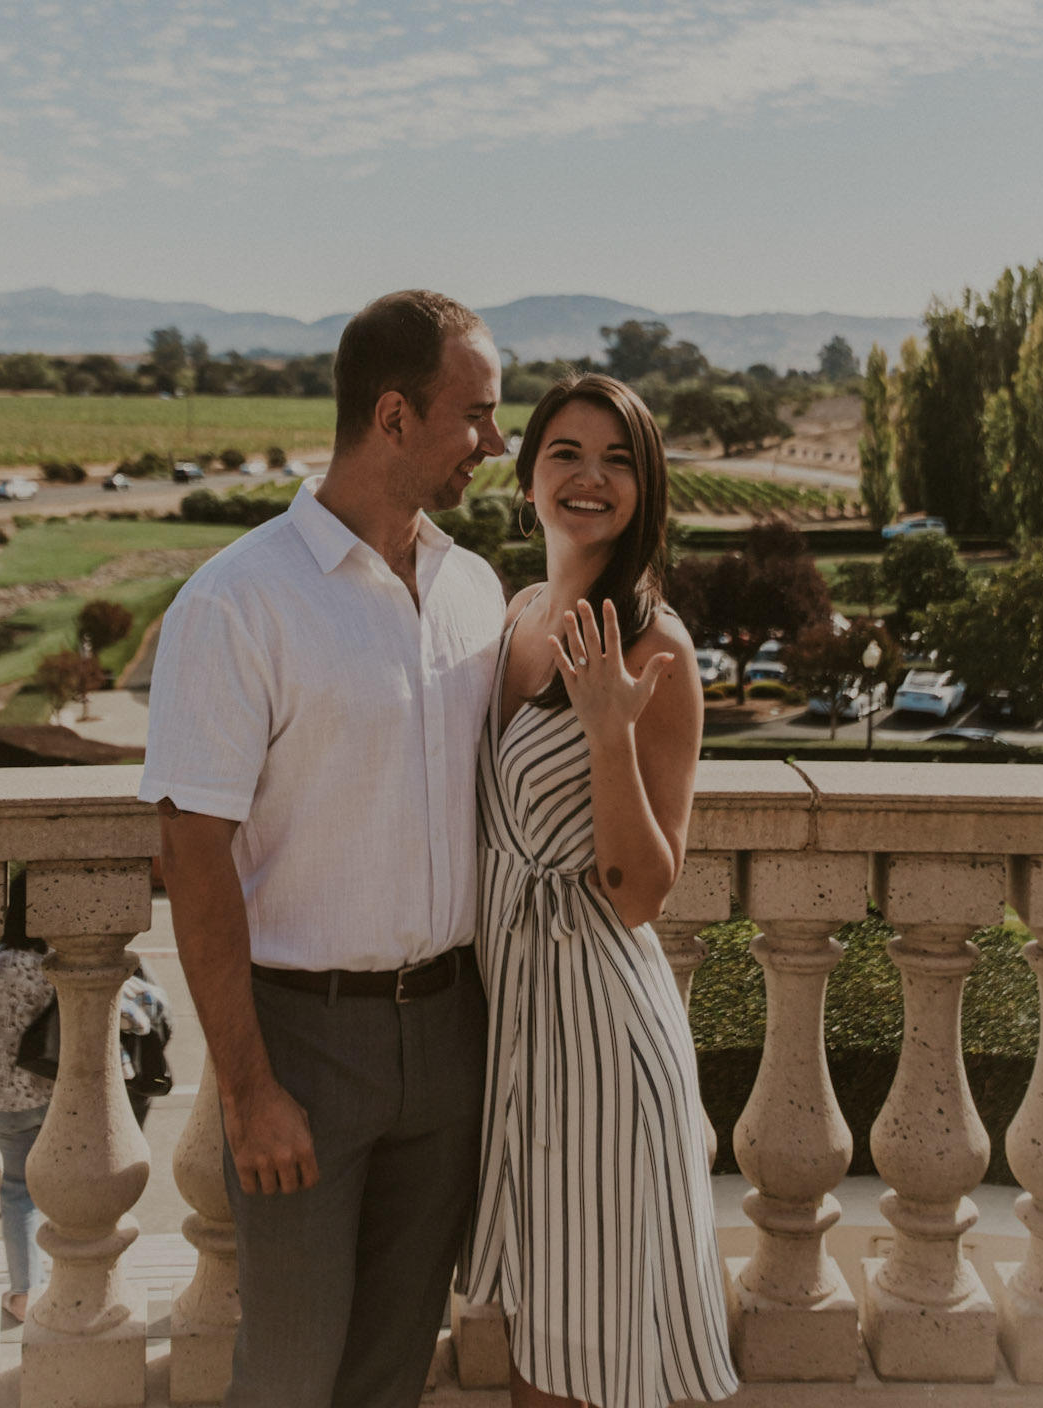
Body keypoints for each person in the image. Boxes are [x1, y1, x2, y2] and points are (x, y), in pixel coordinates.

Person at [139, 289, 509, 1408]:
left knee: (394, 1368)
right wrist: (248, 1089)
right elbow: (191, 849)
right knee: (291, 1374)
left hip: (452, 1038)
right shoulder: (240, 601)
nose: (495, 444)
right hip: (304, 1043)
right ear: (392, 416)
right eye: (478, 415)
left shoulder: (475, 592)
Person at [459, 373, 739, 1408]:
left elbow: (640, 891)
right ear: (531, 472)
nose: (590, 476)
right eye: (568, 451)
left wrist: (611, 730)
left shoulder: (657, 647)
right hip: (518, 1030)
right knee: (542, 1351)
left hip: (603, 1041)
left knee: (601, 1363)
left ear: (646, 486)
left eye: (619, 458)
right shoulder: (518, 610)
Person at [0, 868, 53, 1325]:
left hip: (4, 1095)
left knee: (18, 1193)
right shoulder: (59, 963)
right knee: (63, 1185)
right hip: (56, 1092)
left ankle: (23, 1293)